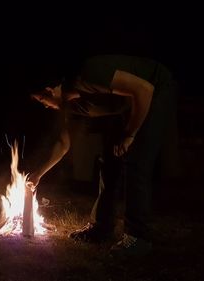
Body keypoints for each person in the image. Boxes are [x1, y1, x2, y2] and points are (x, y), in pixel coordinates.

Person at [26, 54, 178, 257]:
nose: (44, 105)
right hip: (126, 105)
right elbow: (63, 144)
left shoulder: (90, 74)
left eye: (42, 99)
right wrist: (38, 174)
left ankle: (138, 238)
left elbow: (144, 89)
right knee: (109, 160)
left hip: (155, 89)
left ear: (51, 89)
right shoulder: (66, 106)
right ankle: (101, 228)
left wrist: (130, 134)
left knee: (137, 161)